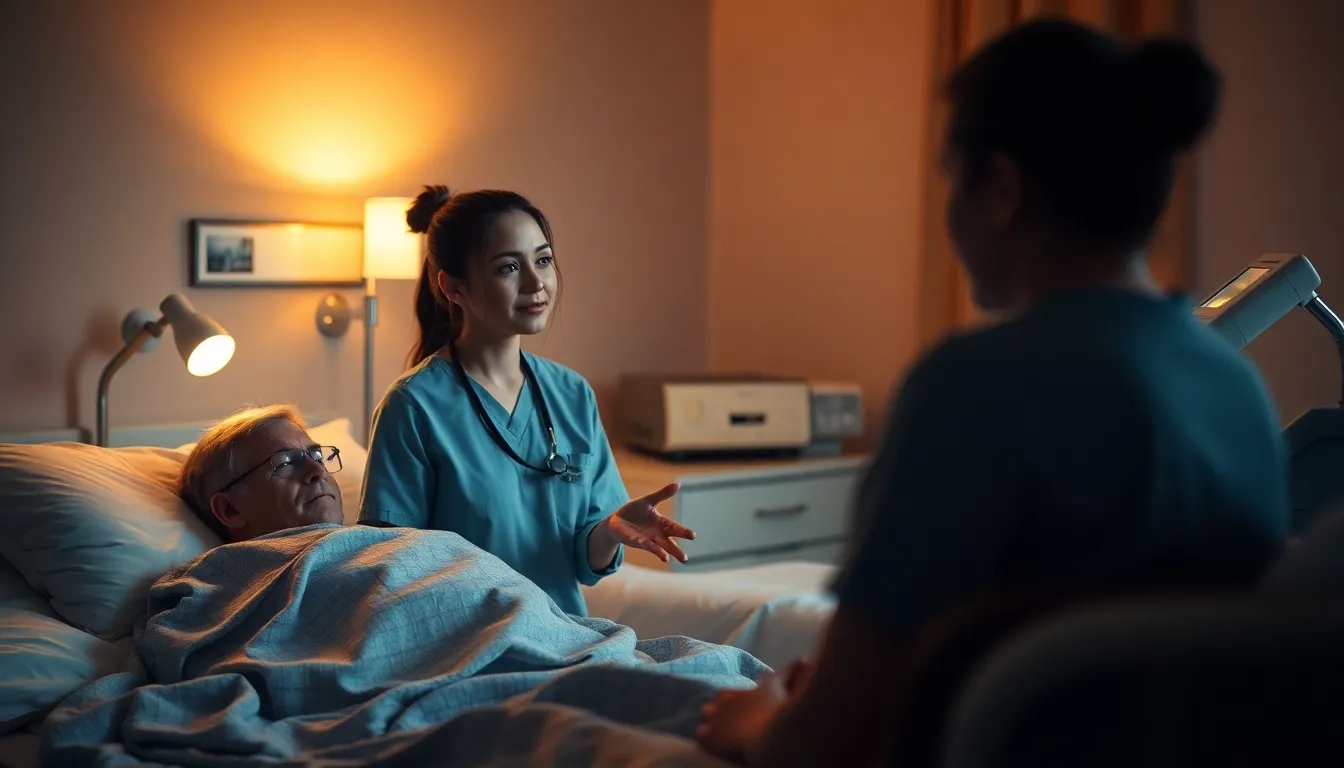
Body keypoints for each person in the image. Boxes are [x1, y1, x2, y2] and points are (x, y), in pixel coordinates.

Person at [696, 19, 1290, 766]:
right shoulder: (1238, 387)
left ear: (1003, 188)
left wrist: (755, 724)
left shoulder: (973, 385)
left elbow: (827, 742)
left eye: (950, 177)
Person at [358, 186, 694, 617]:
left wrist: (610, 530)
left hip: (563, 640)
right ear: (453, 287)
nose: (536, 284)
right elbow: (391, 570)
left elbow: (583, 561)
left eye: (543, 260)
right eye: (509, 267)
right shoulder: (414, 407)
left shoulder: (572, 394)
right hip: (462, 649)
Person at [179, 404, 345, 542]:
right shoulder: (206, 580)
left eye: (318, 457)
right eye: (285, 462)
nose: (318, 471)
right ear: (230, 509)